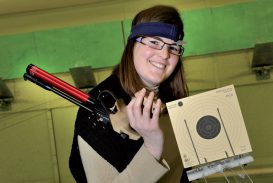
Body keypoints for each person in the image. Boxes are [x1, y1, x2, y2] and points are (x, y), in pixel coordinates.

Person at [69, 4, 190, 183]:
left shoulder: (174, 104)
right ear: (133, 44)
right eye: (155, 42)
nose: (165, 55)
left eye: (173, 47)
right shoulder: (100, 107)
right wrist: (151, 145)